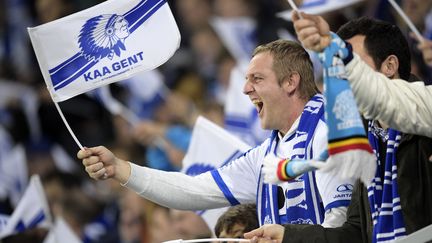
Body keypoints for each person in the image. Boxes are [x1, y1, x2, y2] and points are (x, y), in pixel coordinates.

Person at [78, 40, 355, 228]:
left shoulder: (328, 131)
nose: (245, 89)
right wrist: (121, 169)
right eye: (246, 80)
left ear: (291, 82)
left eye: (256, 79)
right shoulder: (266, 155)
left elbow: (342, 227)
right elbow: (194, 190)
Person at [244, 15, 432, 243]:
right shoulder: (362, 138)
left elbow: (385, 98)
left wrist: (330, 46)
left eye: (351, 64)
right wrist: (288, 236)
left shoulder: (425, 130)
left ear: (390, 66)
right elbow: (354, 234)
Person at [292, 12, 432, 138]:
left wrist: (335, 49)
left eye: (356, 61)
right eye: (338, 64)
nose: (340, 73)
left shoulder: (424, 124)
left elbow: (384, 98)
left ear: (390, 66)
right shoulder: (348, 130)